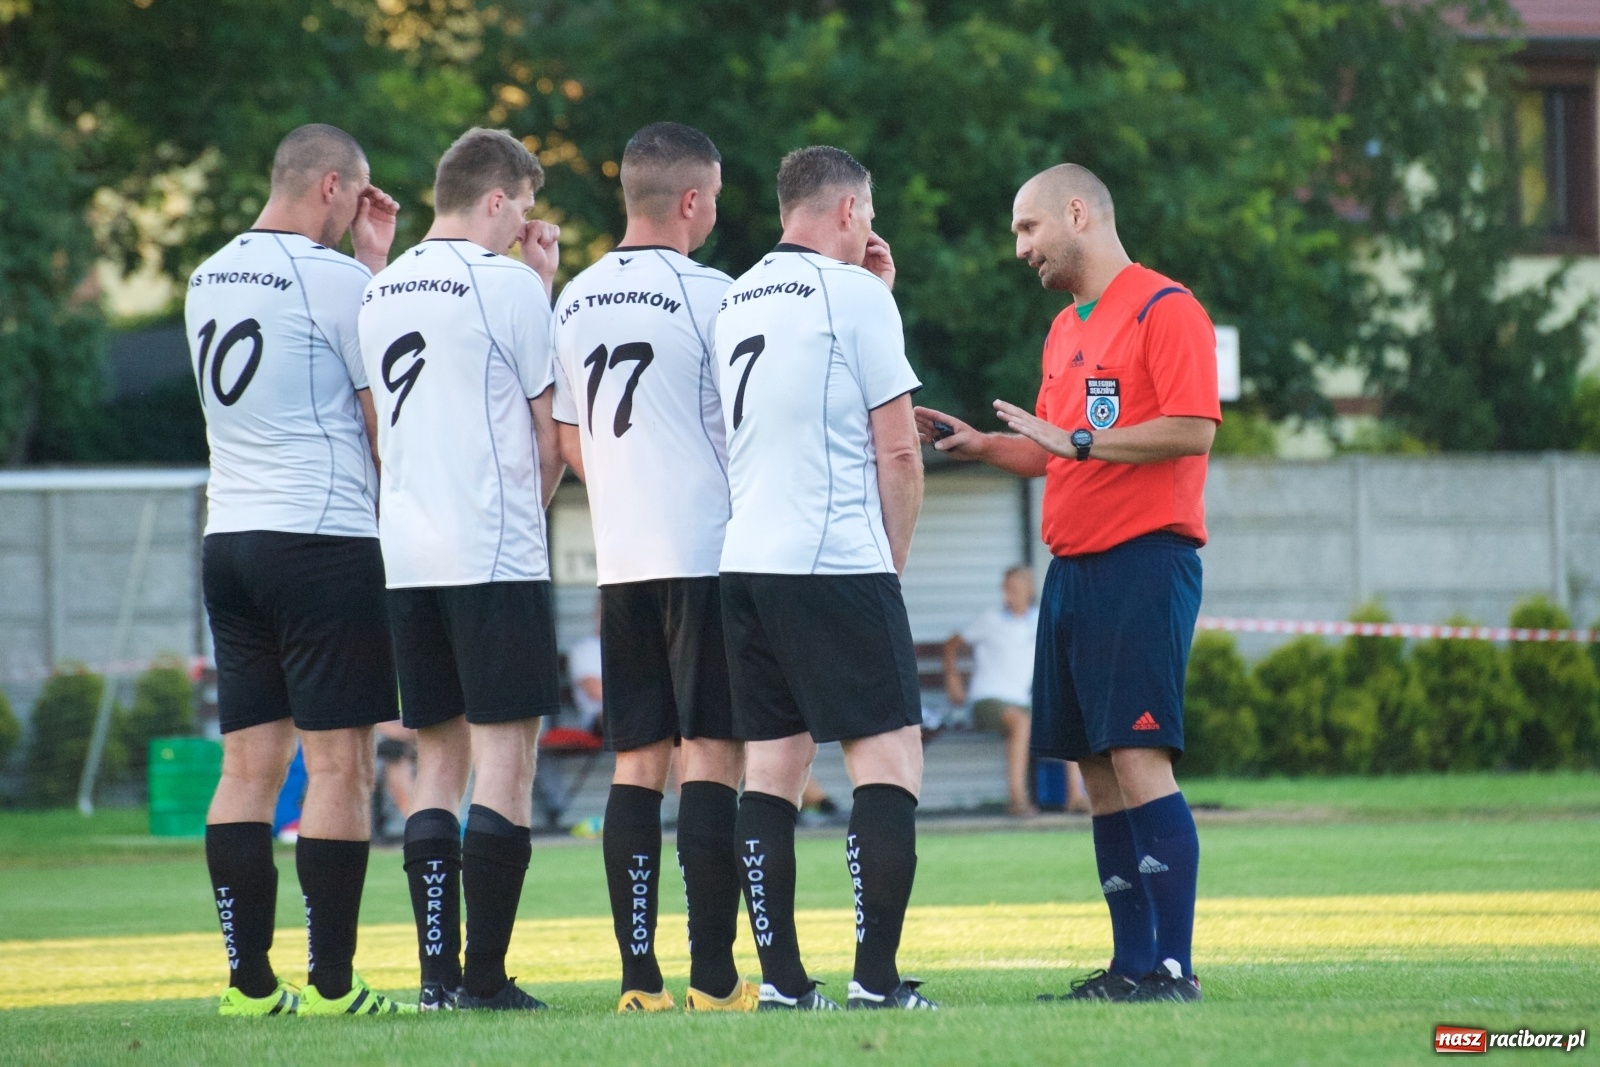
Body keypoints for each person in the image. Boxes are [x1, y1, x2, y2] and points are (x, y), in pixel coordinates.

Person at [915, 163, 1219, 1003]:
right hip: (1073, 569)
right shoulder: (1063, 330)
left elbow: (1191, 427)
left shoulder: (1167, 308)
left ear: (1077, 213)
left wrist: (1077, 440)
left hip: (1142, 561)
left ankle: (1173, 967)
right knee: (1096, 767)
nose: (1021, 248)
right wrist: (982, 444)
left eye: (1028, 228)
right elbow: (1052, 446)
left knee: (1138, 754)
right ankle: (1129, 965)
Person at [189, 123, 411, 1016]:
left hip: (229, 538)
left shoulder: (207, 274)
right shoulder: (340, 280)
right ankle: (331, 984)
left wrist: (366, 260)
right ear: (332, 187)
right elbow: (377, 421)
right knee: (339, 766)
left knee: (246, 766)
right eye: (355, 199)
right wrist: (371, 267)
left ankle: (248, 985)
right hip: (319, 540)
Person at [716, 145, 935, 1012]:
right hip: (834, 555)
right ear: (848, 210)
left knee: (769, 770)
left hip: (747, 561)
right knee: (889, 763)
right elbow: (898, 448)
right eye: (870, 213)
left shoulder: (734, 296)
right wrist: (891, 563)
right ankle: (876, 980)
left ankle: (780, 981)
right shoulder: (854, 298)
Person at [358, 127, 564, 1012]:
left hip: (408, 555)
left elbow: (377, 432)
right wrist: (542, 288)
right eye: (521, 205)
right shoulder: (511, 286)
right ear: (493, 198)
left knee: (436, 763)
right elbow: (550, 437)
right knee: (506, 761)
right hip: (495, 551)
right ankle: (485, 978)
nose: (525, 224)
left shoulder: (378, 291)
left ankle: (436, 977)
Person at [552, 122, 756, 1014]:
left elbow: (566, 433)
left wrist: (632, 480)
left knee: (638, 763)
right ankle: (714, 977)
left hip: (621, 558)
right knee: (713, 754)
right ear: (689, 200)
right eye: (710, 196)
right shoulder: (715, 293)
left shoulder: (573, 298)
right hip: (706, 554)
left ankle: (640, 981)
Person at [943, 565, 1087, 817]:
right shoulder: (989, 620)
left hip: (1025, 701)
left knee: (1068, 719)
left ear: (1029, 590)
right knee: (1022, 723)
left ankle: (1075, 797)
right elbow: (951, 644)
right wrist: (953, 678)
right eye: (1006, 588)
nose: (1009, 594)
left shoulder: (1041, 619)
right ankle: (1017, 801)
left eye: (1015, 588)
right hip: (988, 700)